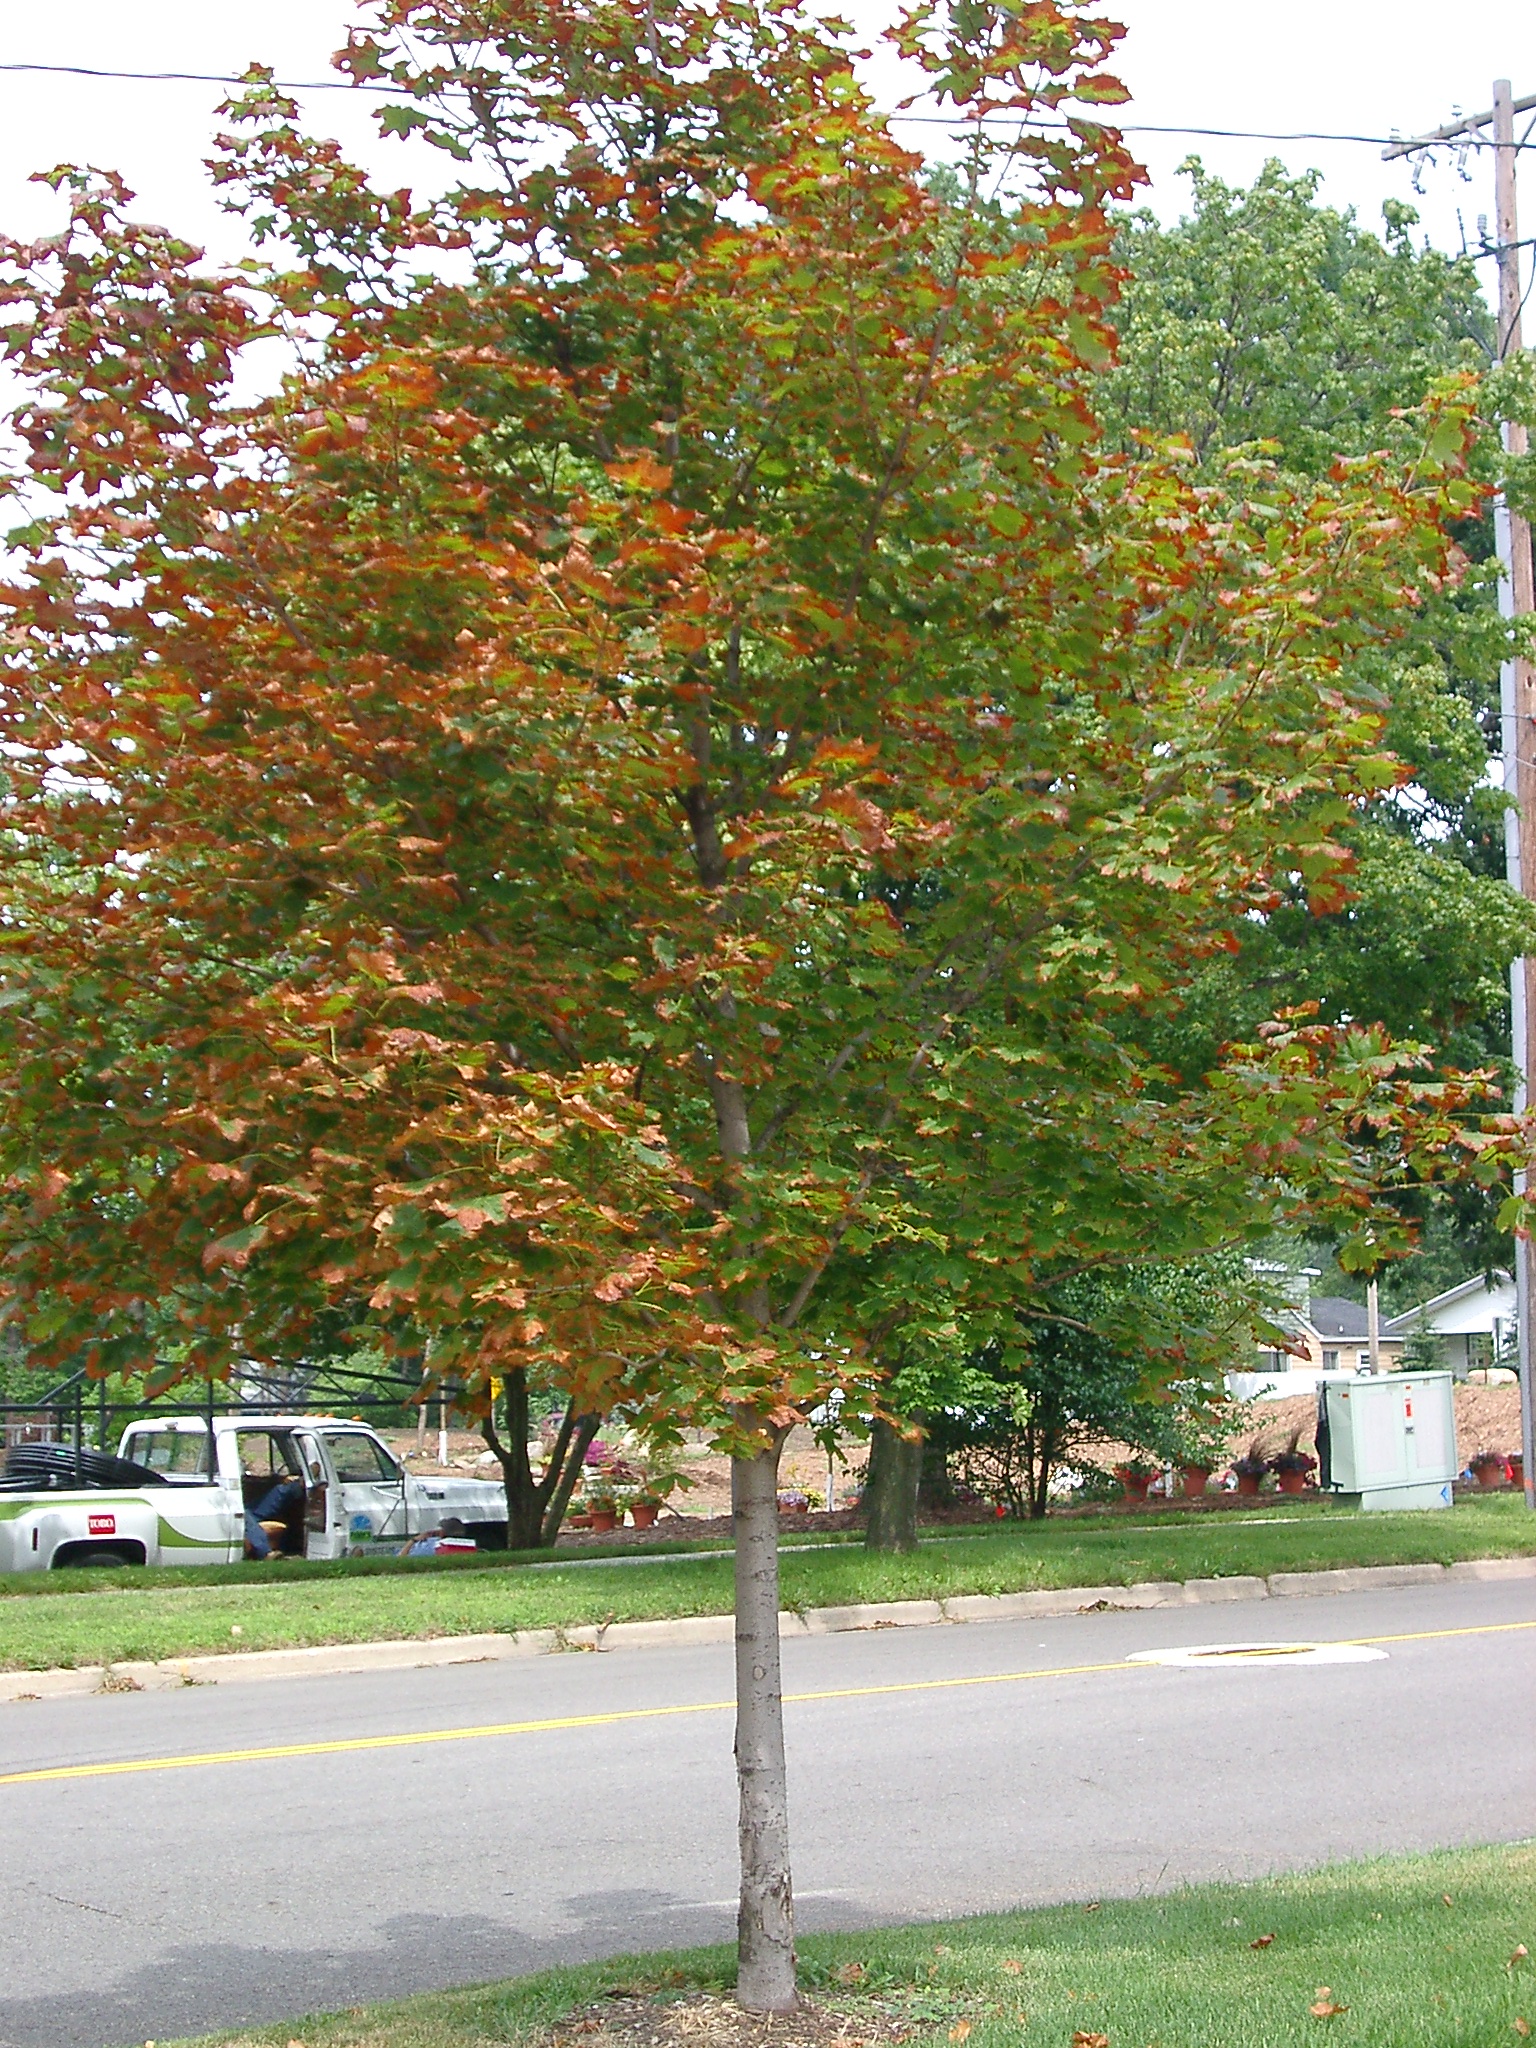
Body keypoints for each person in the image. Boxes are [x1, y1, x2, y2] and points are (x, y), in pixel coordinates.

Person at [244, 1474, 306, 1559]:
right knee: (244, 1515)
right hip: (239, 1509)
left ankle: (299, 1484)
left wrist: (295, 1479)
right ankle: (266, 1553)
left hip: (250, 1508)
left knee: (280, 1490)